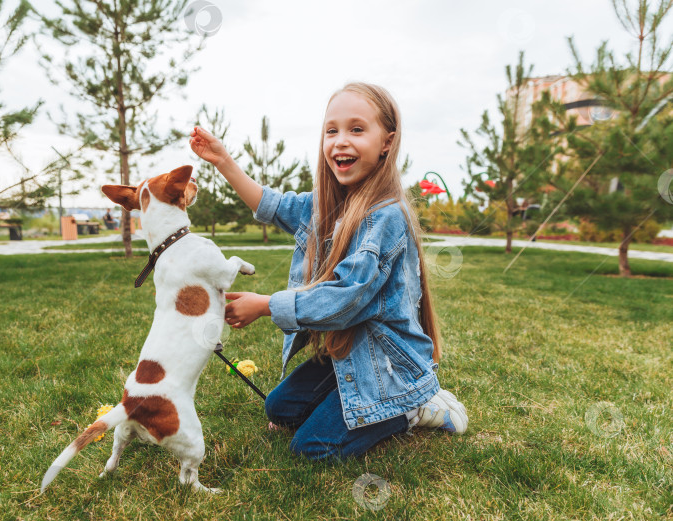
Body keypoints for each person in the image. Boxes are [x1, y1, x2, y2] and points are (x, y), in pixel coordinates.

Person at [189, 82, 468, 461]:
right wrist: (223, 160)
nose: (340, 141)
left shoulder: (385, 216)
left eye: (357, 129)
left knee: (312, 448)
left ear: (387, 141)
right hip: (352, 356)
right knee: (279, 409)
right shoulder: (328, 202)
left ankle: (411, 409)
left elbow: (343, 299)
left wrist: (267, 304)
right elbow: (273, 205)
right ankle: (352, 396)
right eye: (331, 130)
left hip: (387, 366)